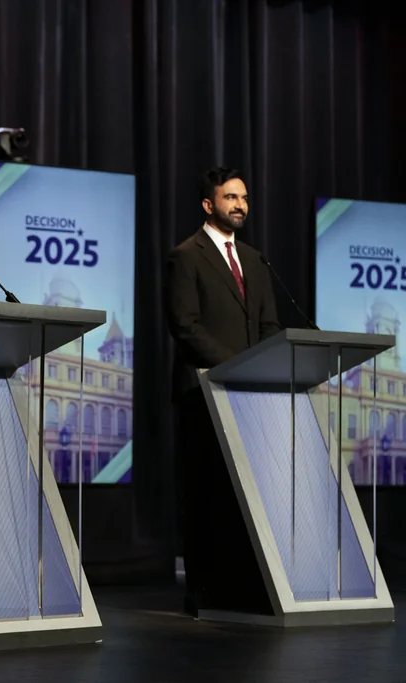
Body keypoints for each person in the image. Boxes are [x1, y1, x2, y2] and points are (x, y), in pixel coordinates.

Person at [163, 166, 282, 617]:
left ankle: (243, 587)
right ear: (208, 204)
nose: (240, 205)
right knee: (206, 494)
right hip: (203, 392)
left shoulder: (255, 259)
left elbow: (269, 324)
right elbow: (185, 326)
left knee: (245, 495)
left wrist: (259, 368)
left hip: (251, 395)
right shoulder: (185, 256)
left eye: (244, 198)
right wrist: (235, 365)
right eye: (231, 197)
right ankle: (203, 592)